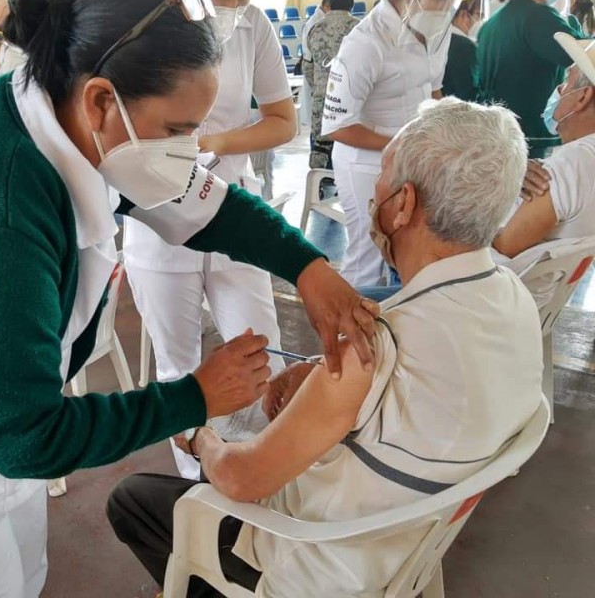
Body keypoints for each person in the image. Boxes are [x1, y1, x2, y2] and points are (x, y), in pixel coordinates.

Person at [0, 0, 380, 596]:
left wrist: (308, 268)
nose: (191, 148)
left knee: (26, 578)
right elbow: (25, 438)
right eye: (178, 131)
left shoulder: (81, 125)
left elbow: (212, 208)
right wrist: (192, 398)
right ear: (102, 100)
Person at [108, 97, 545, 598]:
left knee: (133, 499)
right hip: (405, 546)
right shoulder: (516, 300)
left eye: (381, 177)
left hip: (317, 568)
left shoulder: (372, 347)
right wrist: (318, 376)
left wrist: (200, 436)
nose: (371, 192)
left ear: (402, 205)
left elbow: (242, 479)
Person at [123, 0, 298, 481]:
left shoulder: (253, 24)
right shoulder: (147, 15)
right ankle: (194, 486)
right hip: (155, 215)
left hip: (231, 209)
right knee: (179, 366)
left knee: (263, 349)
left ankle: (263, 474)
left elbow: (284, 121)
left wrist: (213, 144)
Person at [322, 0, 459, 287]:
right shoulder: (365, 43)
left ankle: (393, 325)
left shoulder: (438, 30)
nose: (447, 4)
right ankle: (350, 326)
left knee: (408, 247)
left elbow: (433, 90)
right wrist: (404, 144)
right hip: (364, 162)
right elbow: (338, 126)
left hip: (413, 157)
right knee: (369, 255)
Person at [495, 33, 595, 257]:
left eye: (567, 82)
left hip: (522, 288)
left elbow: (503, 247)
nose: (559, 90)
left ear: (582, 98)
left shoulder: (570, 165)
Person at [477, 0, 586, 158]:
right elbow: (585, 55)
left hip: (499, 132)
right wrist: (574, 29)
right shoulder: (538, 17)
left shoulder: (490, 25)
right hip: (531, 134)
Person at [304, 0, 360, 169]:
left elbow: (308, 66)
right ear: (352, 5)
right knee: (349, 148)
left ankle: (317, 186)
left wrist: (319, 87)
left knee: (320, 148)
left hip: (322, 99)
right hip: (350, 101)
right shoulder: (359, 28)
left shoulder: (315, 28)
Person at [443, 0, 483, 100]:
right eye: (478, 15)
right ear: (464, 15)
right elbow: (470, 92)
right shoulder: (466, 47)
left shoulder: (441, 40)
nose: (479, 21)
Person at [300, 0, 328, 133]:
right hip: (317, 86)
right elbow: (308, 63)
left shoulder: (324, 21)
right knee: (317, 132)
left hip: (323, 86)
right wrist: (318, 90)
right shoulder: (314, 23)